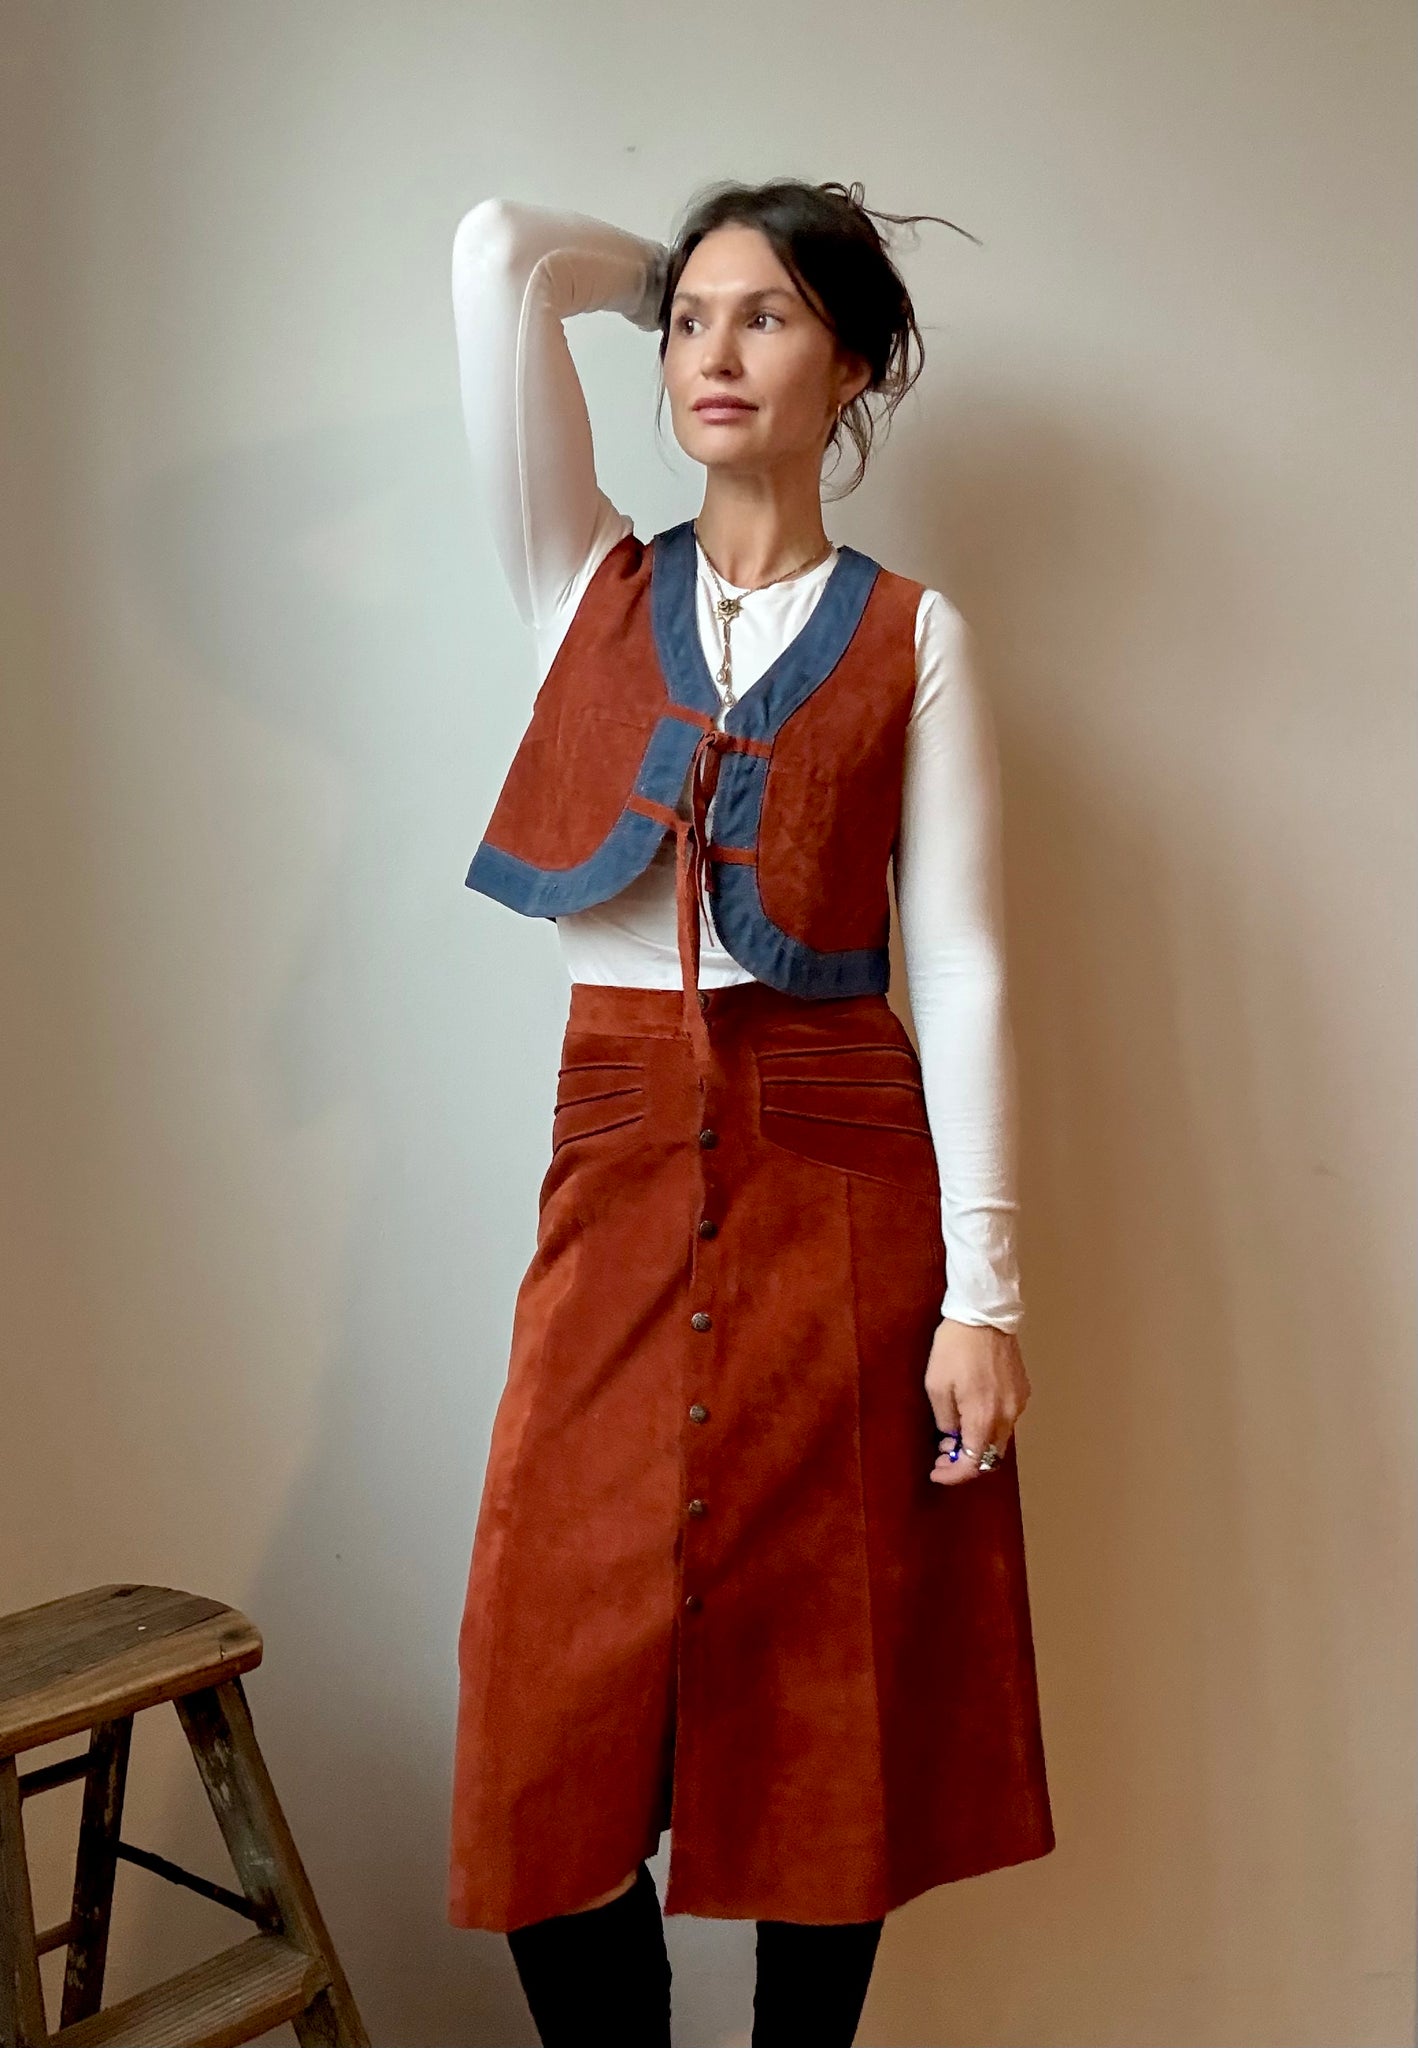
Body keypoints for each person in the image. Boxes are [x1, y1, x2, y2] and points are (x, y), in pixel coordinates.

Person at [445, 176, 1054, 2048]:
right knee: (545, 1698)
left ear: (851, 366)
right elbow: (495, 252)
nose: (712, 352)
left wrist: (983, 1299)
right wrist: (676, 265)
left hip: (841, 1162)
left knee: (824, 1693)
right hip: (617, 1146)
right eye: (690, 321)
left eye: (768, 317)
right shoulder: (582, 584)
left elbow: (957, 963)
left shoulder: (915, 634)